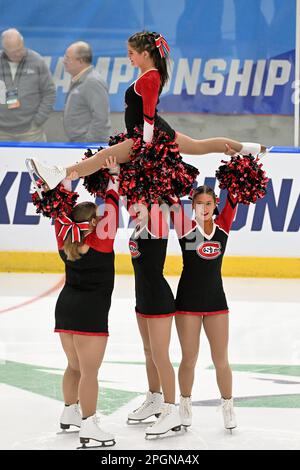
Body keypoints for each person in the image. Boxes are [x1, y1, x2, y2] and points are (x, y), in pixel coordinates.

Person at [26, 31, 266, 203]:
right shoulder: (148, 75)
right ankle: (253, 148)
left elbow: (148, 115)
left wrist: (146, 146)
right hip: (152, 134)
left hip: (148, 135)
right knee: (200, 146)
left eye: (131, 53)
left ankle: (57, 173)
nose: (128, 57)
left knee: (102, 158)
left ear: (144, 53)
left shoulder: (150, 77)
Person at [39, 157, 120, 448]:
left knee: (73, 366)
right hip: (90, 313)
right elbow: (113, 207)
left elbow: (59, 210)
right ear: (95, 222)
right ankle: (89, 425)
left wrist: (65, 180)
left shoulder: (64, 237)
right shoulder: (102, 241)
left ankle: (69, 411)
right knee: (89, 373)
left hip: (66, 308)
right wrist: (113, 175)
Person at [166, 186, 238, 432]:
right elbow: (171, 199)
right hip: (188, 302)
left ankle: (228, 406)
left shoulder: (223, 228)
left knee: (221, 360)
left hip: (217, 302)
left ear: (215, 204)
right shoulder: (187, 230)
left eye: (209, 203)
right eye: (199, 204)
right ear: (192, 205)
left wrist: (243, 164)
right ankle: (184, 403)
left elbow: (235, 198)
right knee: (189, 358)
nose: (204, 208)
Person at [126, 201, 181, 437]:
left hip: (158, 299)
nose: (133, 203)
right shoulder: (138, 225)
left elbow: (158, 192)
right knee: (149, 351)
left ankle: (171, 410)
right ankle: (155, 399)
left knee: (160, 355)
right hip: (143, 298)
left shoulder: (157, 224)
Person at [0, 28, 55, 142]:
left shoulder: (37, 61)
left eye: (20, 48)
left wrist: (38, 120)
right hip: (2, 132)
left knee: (36, 159)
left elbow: (49, 92)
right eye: (14, 52)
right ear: (5, 50)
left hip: (31, 131)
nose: (19, 53)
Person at [63, 41, 111, 142]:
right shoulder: (81, 80)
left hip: (87, 146)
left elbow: (101, 118)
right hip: (79, 144)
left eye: (67, 58)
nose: (64, 61)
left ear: (81, 61)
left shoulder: (92, 82)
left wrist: (88, 144)